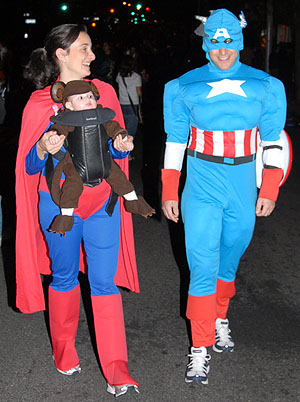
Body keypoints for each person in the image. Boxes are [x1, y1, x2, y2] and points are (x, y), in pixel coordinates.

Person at [161, 9, 287, 385]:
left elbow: (273, 141)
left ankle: (219, 317)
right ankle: (199, 347)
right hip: (201, 182)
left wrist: (269, 188)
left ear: (241, 40)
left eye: (229, 41)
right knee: (202, 264)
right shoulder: (182, 86)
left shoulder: (266, 85)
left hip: (242, 182)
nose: (223, 50)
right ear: (204, 43)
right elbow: (175, 140)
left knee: (228, 261)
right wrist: (169, 189)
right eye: (215, 42)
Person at [15, 24, 140, 397]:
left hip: (103, 204)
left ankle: (118, 370)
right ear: (61, 54)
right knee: (65, 278)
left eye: (91, 49)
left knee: (104, 284)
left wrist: (122, 145)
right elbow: (29, 168)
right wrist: (43, 148)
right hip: (58, 209)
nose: (92, 56)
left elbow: (117, 155)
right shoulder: (40, 103)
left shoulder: (104, 92)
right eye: (84, 49)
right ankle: (64, 351)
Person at [46, 79, 154, 234]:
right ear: (68, 105)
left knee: (119, 177)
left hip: (103, 160)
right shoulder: (69, 119)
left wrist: (123, 138)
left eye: (90, 96)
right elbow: (58, 129)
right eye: (80, 98)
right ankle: (65, 217)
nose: (88, 100)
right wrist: (55, 136)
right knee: (72, 185)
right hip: (75, 163)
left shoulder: (101, 116)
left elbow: (114, 128)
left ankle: (133, 200)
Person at [116, 55, 142, 140]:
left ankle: (123, 149)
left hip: (122, 103)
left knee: (123, 127)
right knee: (131, 131)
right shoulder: (136, 77)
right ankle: (128, 150)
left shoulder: (119, 75)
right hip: (133, 104)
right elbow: (139, 92)